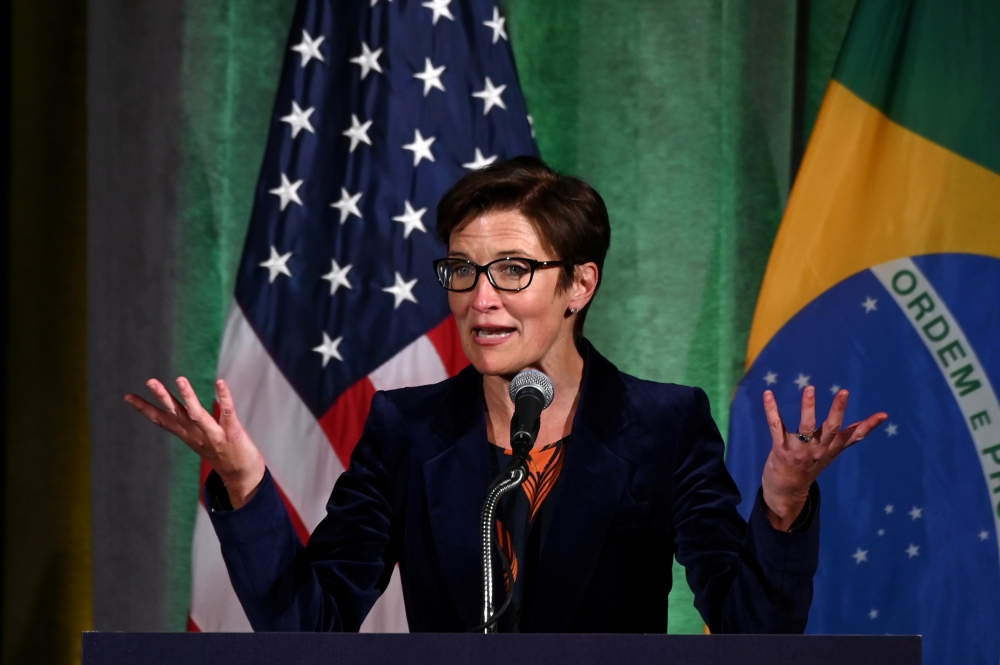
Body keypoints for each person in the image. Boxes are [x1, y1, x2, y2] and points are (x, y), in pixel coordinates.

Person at [125, 156, 887, 633]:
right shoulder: (406, 429)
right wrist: (245, 482)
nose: (480, 299)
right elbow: (309, 626)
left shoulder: (664, 426)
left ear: (579, 284)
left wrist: (782, 507)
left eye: (513, 271)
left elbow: (754, 634)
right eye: (462, 270)